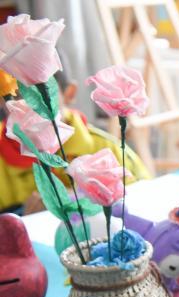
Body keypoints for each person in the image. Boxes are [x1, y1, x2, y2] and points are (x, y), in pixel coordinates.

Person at [0, 66, 150, 214]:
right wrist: (21, 221)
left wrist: (79, 198)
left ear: (69, 93)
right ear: (2, 102)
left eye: (41, 91)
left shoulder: (107, 149)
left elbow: (147, 203)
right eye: (17, 96)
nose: (30, 105)